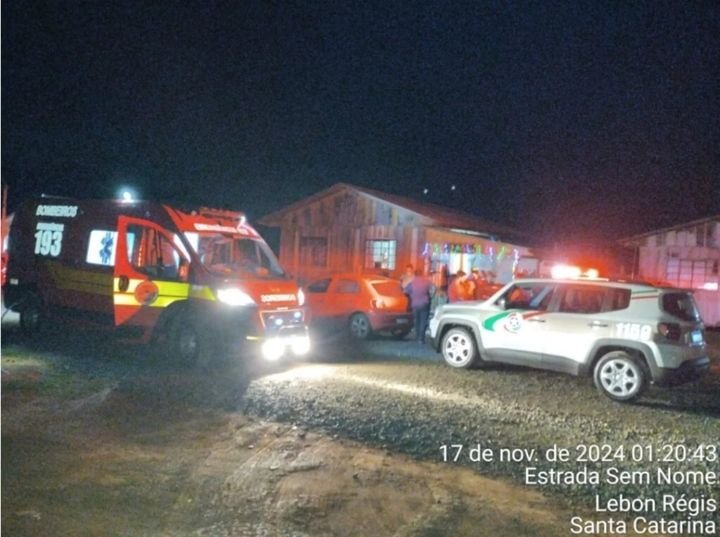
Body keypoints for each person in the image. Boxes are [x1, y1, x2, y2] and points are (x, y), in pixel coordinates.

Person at [406, 269, 433, 344]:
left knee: (416, 321)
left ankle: (417, 336)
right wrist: (430, 296)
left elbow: (405, 290)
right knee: (423, 321)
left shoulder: (412, 283)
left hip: (414, 304)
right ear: (422, 274)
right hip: (424, 303)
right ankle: (421, 339)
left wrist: (411, 295)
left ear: (415, 275)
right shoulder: (427, 282)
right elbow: (434, 289)